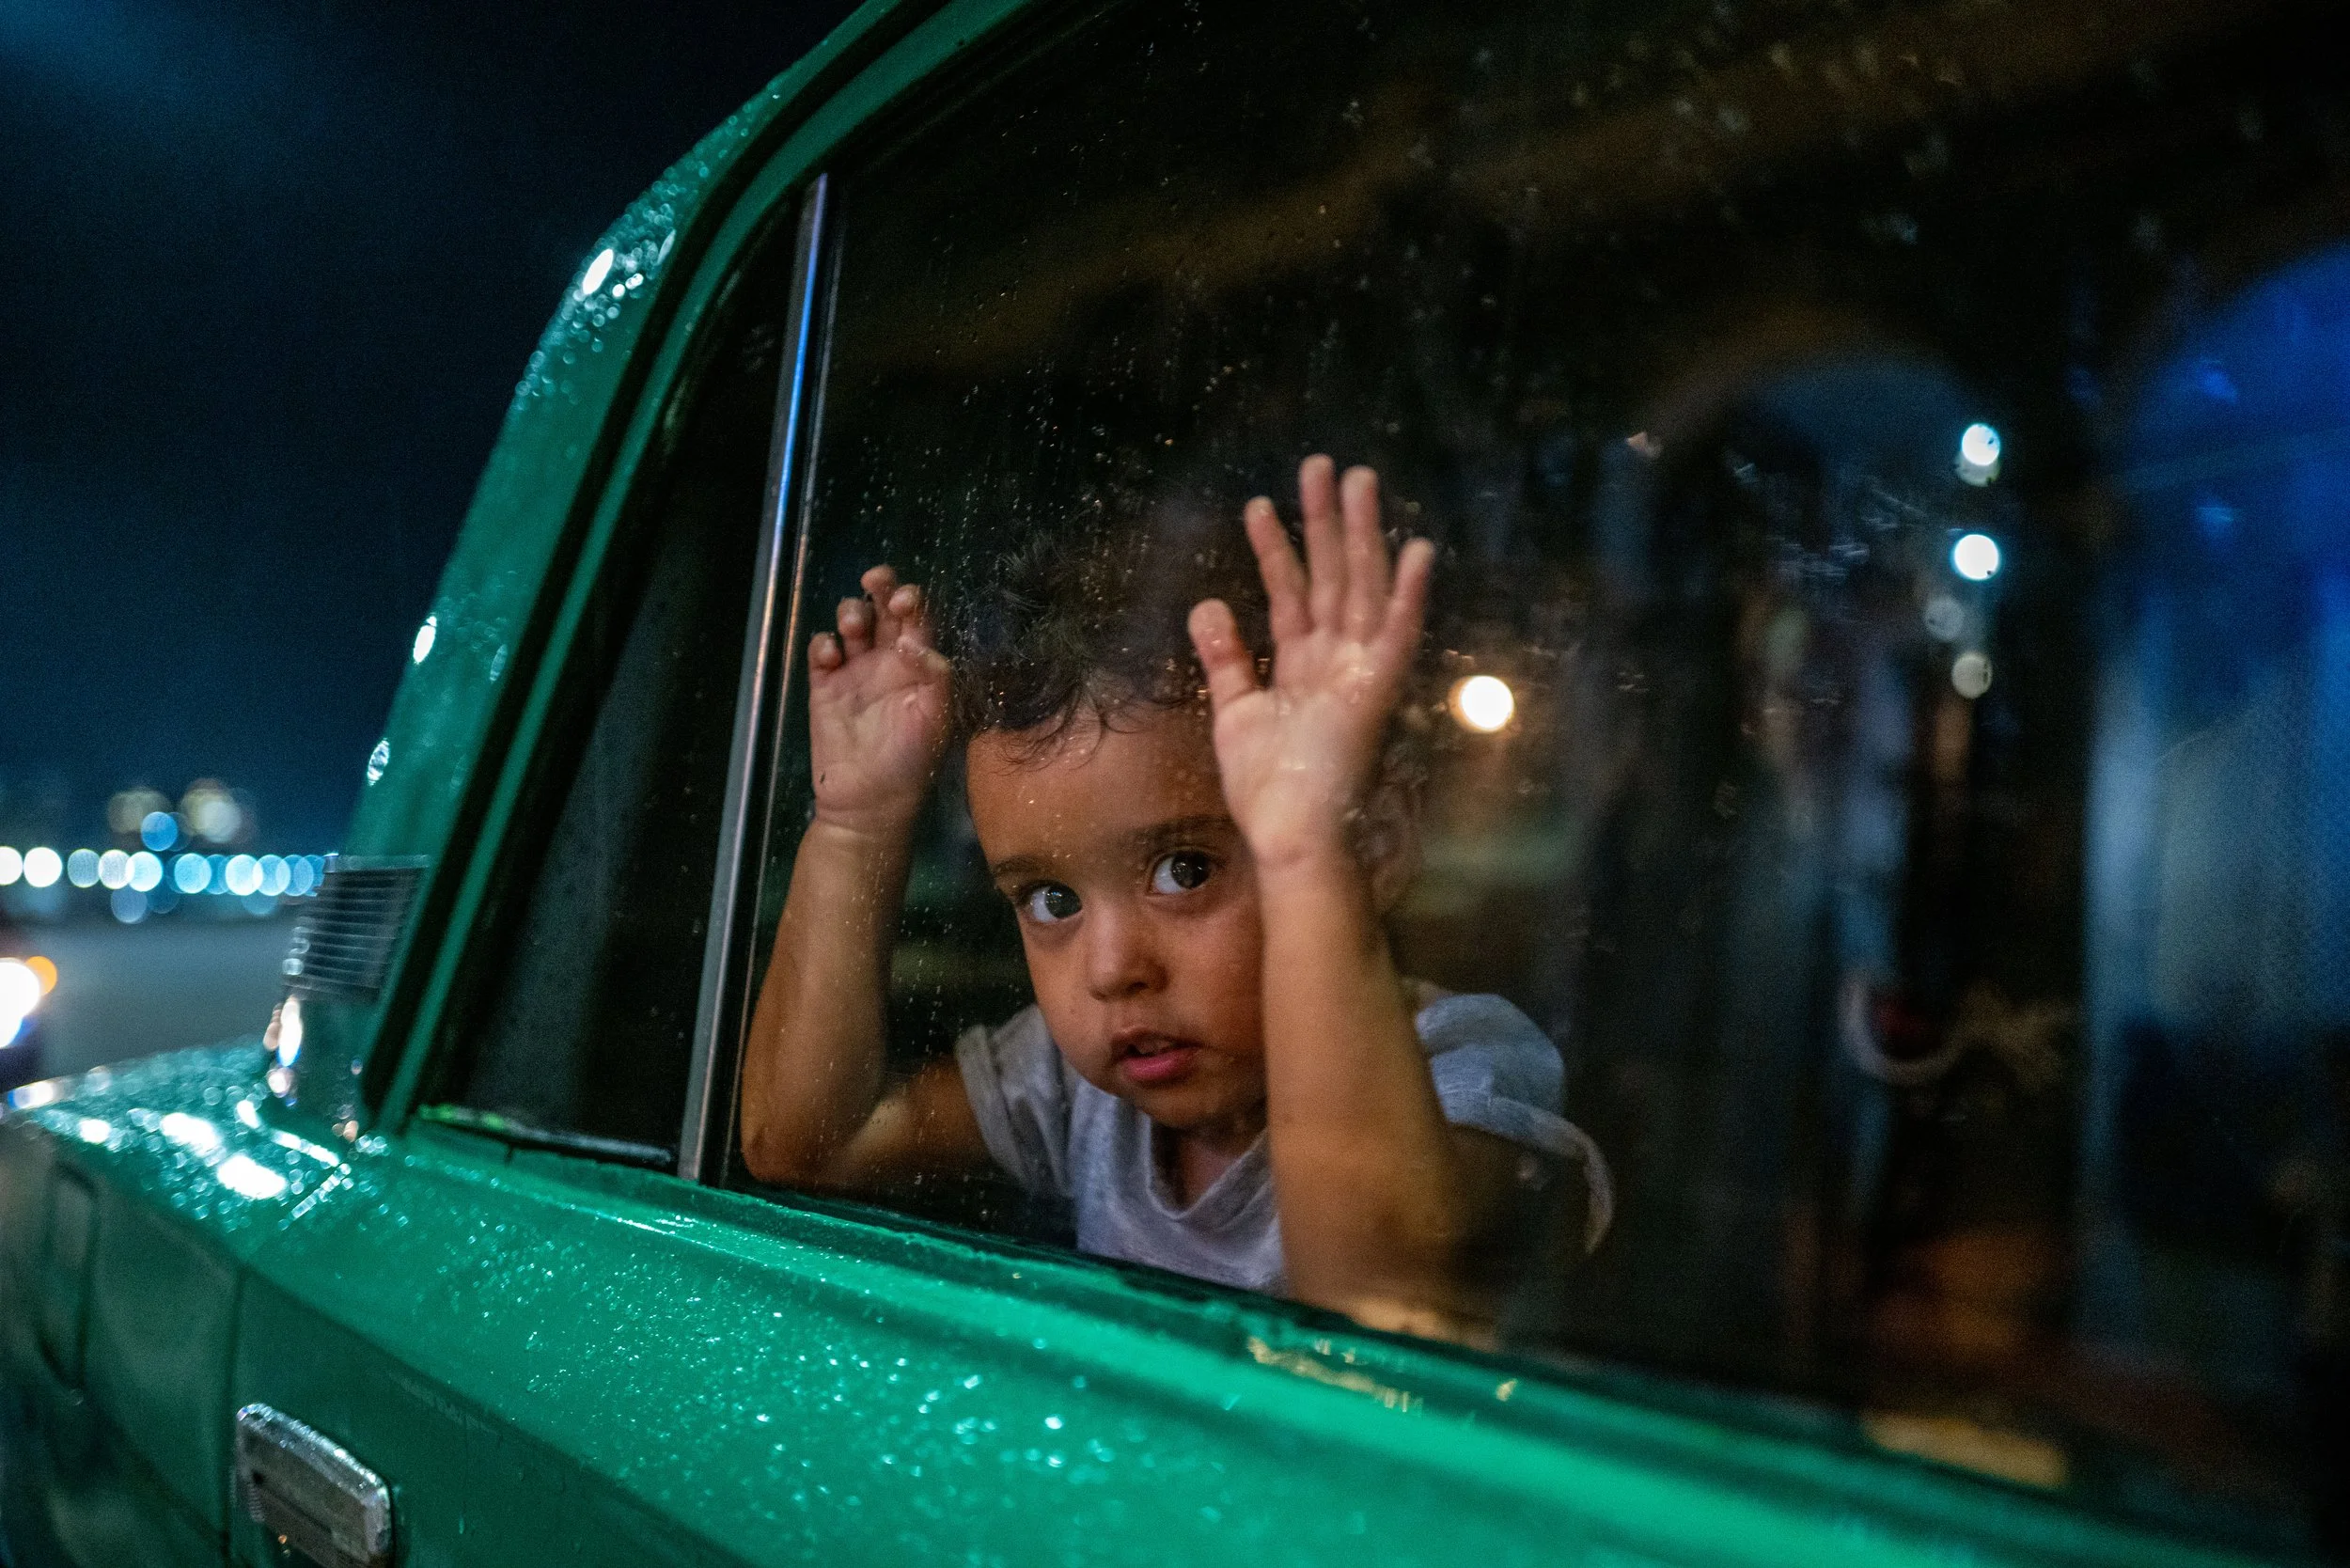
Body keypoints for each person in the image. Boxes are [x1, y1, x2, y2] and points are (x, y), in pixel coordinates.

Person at [740, 456, 1591, 1339]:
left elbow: (1374, 1308)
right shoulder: (1087, 1091)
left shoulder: (1465, 1066)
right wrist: (857, 826)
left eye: (1185, 871)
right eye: (1051, 901)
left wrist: (1306, 856)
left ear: (1372, 846)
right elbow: (810, 1145)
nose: (1113, 971)